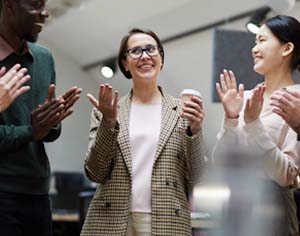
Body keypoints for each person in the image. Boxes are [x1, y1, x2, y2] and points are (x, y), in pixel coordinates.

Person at [81, 28, 205, 236]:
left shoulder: (183, 111)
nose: (145, 56)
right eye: (136, 51)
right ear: (124, 63)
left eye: (151, 49)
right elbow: (95, 172)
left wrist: (196, 131)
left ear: (161, 59)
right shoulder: (108, 110)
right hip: (111, 220)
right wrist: (109, 123)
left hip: (167, 219)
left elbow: (196, 177)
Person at [0, 0, 82, 236]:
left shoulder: (44, 57)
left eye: (44, 6)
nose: (44, 13)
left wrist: (51, 121)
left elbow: (45, 133)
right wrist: (31, 130)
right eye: (35, 6)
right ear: (9, 7)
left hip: (38, 193)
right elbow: (30, 131)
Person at [213, 15, 300, 236]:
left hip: (272, 211)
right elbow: (220, 162)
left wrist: (253, 125)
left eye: (262, 41)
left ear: (286, 48)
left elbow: (286, 175)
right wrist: (231, 118)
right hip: (234, 206)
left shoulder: (296, 99)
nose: (254, 49)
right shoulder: (247, 97)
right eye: (254, 42)